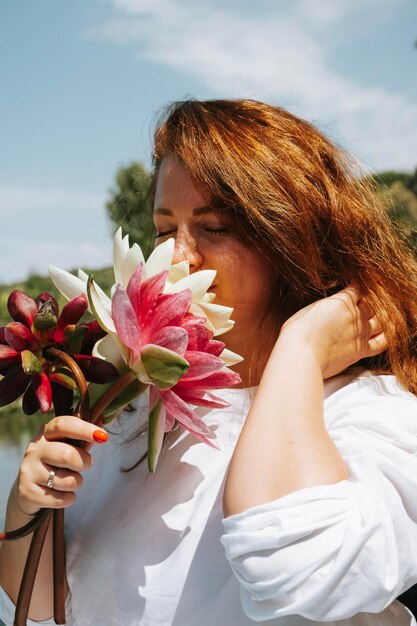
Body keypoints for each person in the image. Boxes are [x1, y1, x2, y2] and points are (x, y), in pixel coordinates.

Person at [1, 98, 417, 626]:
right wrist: (26, 511)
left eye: (214, 227)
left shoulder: (380, 416)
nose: (177, 256)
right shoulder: (127, 413)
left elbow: (293, 573)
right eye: (162, 228)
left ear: (292, 238)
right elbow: (42, 612)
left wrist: (301, 347)